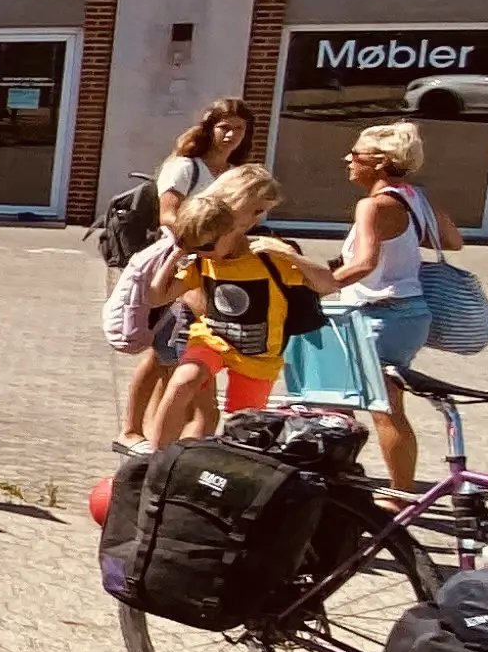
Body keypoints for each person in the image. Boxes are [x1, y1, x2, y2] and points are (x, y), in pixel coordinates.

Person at [143, 167, 347, 443]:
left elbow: (328, 284)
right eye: (254, 211)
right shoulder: (205, 246)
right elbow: (160, 296)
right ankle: (158, 464)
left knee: (244, 422)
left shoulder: (265, 250)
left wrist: (289, 255)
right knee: (183, 383)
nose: (256, 220)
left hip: (257, 353)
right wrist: (179, 252)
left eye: (261, 213)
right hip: (211, 338)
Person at [320, 120, 452, 485]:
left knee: (384, 408)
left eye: (356, 154)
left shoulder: (373, 205)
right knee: (334, 404)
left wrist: (316, 288)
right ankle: (333, 478)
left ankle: (401, 492)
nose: (348, 158)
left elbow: (364, 264)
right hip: (407, 314)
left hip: (380, 315)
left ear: (378, 161)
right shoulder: (412, 195)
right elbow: (452, 240)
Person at [122, 97, 254, 447]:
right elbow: (167, 215)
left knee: (164, 352)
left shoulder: (235, 173)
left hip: (215, 268)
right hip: (178, 263)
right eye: (224, 127)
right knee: (163, 352)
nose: (231, 135)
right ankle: (134, 430)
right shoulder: (186, 167)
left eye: (239, 128)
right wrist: (201, 237)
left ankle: (152, 433)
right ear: (209, 128)